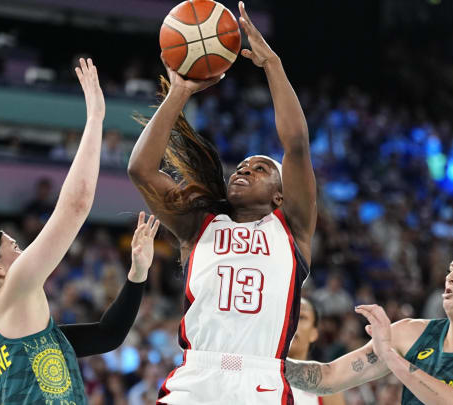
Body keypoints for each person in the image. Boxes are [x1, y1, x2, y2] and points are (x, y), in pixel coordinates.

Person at [127, 2, 316, 403]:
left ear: (280, 196)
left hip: (260, 378)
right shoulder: (200, 225)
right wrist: (179, 91)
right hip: (196, 376)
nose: (243, 171)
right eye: (241, 167)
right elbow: (141, 170)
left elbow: (296, 145)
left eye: (260, 168)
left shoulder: (292, 227)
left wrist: (273, 66)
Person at [0, 58, 160, 404]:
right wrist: (95, 120)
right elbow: (74, 207)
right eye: (13, 246)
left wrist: (137, 274)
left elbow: (108, 335)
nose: (24, 250)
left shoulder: (15, 335)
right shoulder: (11, 291)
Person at [285, 242, 453, 405]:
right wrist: (261, 363)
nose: (450, 277)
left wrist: (391, 357)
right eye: (450, 270)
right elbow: (328, 377)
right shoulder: (410, 332)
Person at [288, 298, 345, 405]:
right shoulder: (253, 372)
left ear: (314, 334)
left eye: (301, 317)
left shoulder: (327, 385)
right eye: (287, 314)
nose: (292, 321)